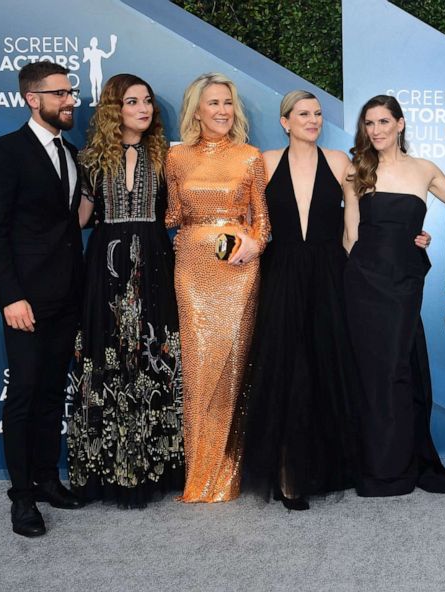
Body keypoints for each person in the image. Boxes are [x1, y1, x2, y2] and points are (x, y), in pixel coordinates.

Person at [343, 94, 445, 497]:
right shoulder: (357, 170)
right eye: (370, 124)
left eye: (384, 122)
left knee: (398, 367)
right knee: (370, 370)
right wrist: (355, 276)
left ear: (400, 124)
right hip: (363, 280)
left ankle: (401, 463)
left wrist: (425, 238)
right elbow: (351, 234)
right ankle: (375, 466)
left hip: (404, 281)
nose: (377, 130)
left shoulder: (424, 170)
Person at [66, 73, 184, 508]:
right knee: (108, 354)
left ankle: (159, 464)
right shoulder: (90, 159)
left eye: (148, 101)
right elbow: (80, 218)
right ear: (115, 109)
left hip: (154, 259)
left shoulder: (167, 157)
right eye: (132, 101)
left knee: (155, 352)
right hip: (106, 263)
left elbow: (178, 213)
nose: (144, 108)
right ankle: (109, 468)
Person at [0, 61, 85, 537]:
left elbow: (70, 224)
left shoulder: (73, 152)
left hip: (67, 295)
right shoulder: (5, 152)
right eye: (60, 94)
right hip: (26, 300)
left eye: (71, 92)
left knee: (49, 393)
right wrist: (11, 297)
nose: (70, 101)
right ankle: (22, 499)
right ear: (31, 98)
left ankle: (45, 479)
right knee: (22, 394)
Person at [241, 91, 360, 510]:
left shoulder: (340, 162)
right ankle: (290, 472)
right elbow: (250, 221)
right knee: (289, 371)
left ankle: (325, 467)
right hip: (282, 273)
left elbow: (353, 229)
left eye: (318, 113)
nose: (313, 120)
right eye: (303, 114)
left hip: (329, 274)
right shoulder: (265, 162)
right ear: (285, 121)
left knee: (325, 367)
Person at [165, 73, 270, 503]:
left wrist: (254, 243)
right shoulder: (176, 159)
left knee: (231, 369)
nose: (223, 111)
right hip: (192, 270)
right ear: (196, 110)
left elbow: (263, 221)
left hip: (238, 272)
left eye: (228, 103)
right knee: (197, 366)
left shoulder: (250, 157)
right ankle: (198, 474)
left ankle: (226, 475)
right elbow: (171, 215)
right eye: (213, 103)